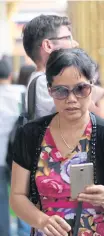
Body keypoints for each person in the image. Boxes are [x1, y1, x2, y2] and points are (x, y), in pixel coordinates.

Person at [10, 48, 104, 236]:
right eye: (61, 91)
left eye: (80, 89)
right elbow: (17, 196)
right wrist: (42, 221)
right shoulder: (31, 135)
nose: (71, 99)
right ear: (50, 90)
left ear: (91, 87)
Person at [22, 14, 104, 122]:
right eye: (68, 38)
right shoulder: (43, 82)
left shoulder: (59, 80)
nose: (75, 44)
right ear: (48, 46)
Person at [0, 58, 26, 236]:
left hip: (0, 158)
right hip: (19, 155)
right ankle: (25, 232)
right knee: (24, 197)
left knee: (2, 202)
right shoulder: (21, 92)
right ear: (11, 75)